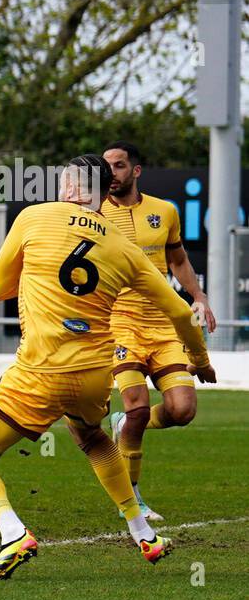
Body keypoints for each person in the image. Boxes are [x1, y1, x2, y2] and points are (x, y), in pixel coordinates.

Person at [0, 155, 215, 582]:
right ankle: (143, 532)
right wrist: (199, 360)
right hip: (94, 374)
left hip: (38, 370)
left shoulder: (33, 217)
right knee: (91, 438)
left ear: (72, 188)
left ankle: (13, 532)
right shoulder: (125, 248)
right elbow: (184, 314)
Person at [101, 141, 216, 523]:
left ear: (135, 171)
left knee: (183, 410)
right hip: (118, 323)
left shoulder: (164, 211)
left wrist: (199, 296)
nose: (111, 174)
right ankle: (133, 501)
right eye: (106, 167)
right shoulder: (92, 214)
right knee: (134, 406)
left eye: (119, 166)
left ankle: (123, 424)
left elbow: (178, 259)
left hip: (162, 323)